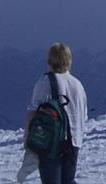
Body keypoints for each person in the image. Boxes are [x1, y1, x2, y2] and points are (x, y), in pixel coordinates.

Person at [24, 43, 88, 184]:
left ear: (49, 60)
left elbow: (33, 111)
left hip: (51, 141)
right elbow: (84, 114)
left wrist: (27, 137)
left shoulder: (45, 81)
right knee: (68, 181)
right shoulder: (77, 84)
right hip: (74, 141)